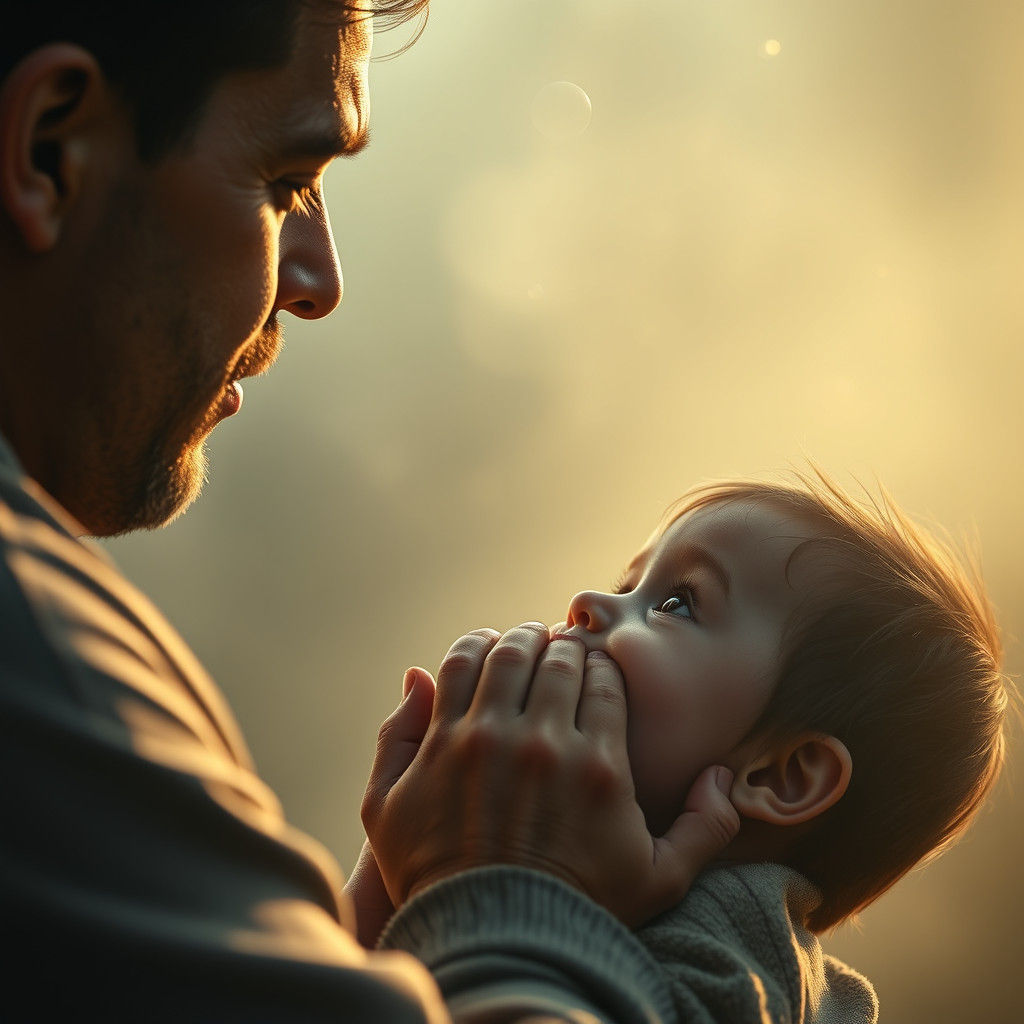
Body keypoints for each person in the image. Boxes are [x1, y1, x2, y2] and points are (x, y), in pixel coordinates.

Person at [0, 3, 740, 1021]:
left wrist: (358, 937)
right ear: (49, 148)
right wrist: (518, 888)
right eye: (287, 182)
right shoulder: (35, 666)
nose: (318, 282)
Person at [360, 472, 1009, 1022]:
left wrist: (495, 879)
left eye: (676, 603)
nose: (587, 603)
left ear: (784, 775)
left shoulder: (739, 976)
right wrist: (399, 872)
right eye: (625, 585)